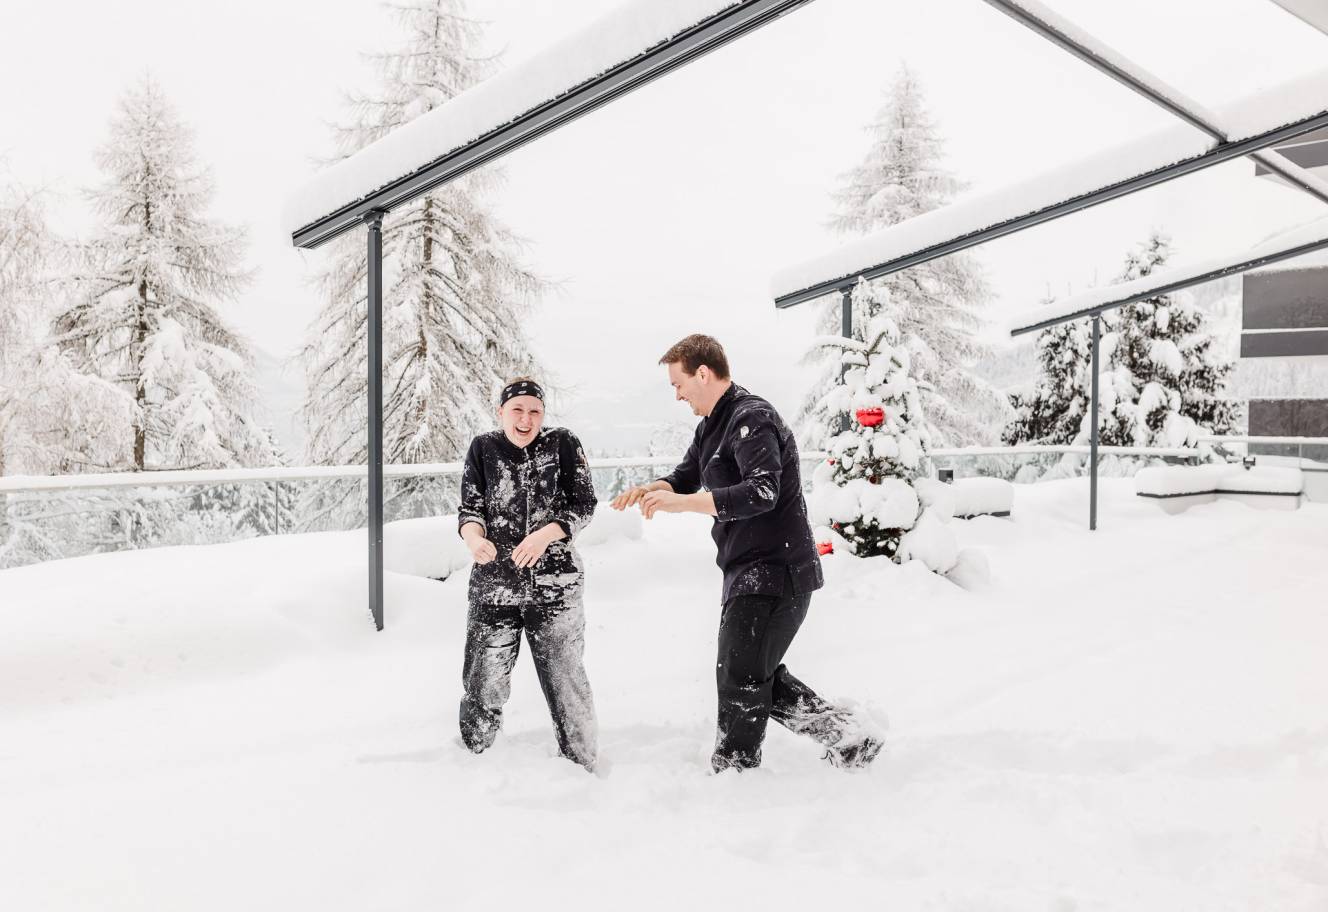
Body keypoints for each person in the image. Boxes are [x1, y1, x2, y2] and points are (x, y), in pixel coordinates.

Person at [612, 335, 882, 773]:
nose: (677, 395)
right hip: (748, 570)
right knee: (755, 672)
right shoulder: (711, 427)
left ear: (703, 373)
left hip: (777, 572)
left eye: (678, 384)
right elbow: (684, 477)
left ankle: (734, 770)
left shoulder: (752, 419)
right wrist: (655, 489)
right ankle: (847, 738)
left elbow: (762, 492)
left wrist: (685, 504)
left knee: (740, 675)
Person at [457, 378, 598, 771]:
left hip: (556, 585)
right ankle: (476, 761)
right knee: (482, 680)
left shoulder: (563, 444)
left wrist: (545, 535)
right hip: (493, 585)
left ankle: (581, 764)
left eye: (534, 411)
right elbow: (470, 510)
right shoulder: (483, 448)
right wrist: (474, 539)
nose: (526, 418)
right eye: (517, 410)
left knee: (565, 679)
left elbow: (584, 504)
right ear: (501, 412)